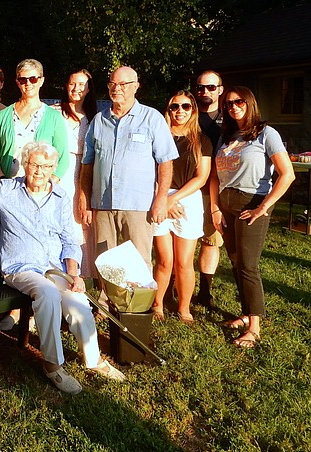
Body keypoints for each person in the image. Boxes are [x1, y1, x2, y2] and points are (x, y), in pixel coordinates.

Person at [0, 142, 126, 394]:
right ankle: (53, 365)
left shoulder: (61, 197)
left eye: (45, 166)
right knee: (48, 293)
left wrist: (73, 272)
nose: (39, 171)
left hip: (53, 267)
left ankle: (93, 359)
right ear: (25, 165)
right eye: (34, 165)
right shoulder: (8, 190)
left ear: (53, 168)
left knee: (77, 301)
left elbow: (68, 238)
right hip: (19, 268)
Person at [210, 86, 294, 348]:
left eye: (239, 102)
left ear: (249, 103)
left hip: (251, 204)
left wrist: (263, 207)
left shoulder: (266, 134)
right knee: (236, 262)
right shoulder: (227, 136)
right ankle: (245, 315)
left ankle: (254, 328)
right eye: (228, 104)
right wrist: (214, 208)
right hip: (226, 206)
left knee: (248, 265)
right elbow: (214, 177)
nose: (233, 107)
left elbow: (287, 174)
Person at [0, 59, 69, 330]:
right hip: (11, 192)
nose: (28, 84)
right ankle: (14, 309)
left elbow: (64, 157)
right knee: (13, 248)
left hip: (40, 191)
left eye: (33, 79)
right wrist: (2, 182)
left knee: (40, 247)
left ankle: (37, 311)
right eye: (23, 79)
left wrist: (48, 185)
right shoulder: (4, 115)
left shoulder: (53, 116)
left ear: (42, 80)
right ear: (16, 82)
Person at [79, 66, 177, 271]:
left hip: (139, 205)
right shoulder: (99, 120)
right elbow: (87, 164)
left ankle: (138, 304)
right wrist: (84, 198)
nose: (117, 89)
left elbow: (165, 162)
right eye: (112, 84)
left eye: (123, 84)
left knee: (138, 263)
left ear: (136, 87)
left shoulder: (152, 118)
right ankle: (108, 303)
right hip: (103, 203)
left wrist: (161, 199)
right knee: (106, 263)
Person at [151, 91, 212, 322]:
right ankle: (157, 304)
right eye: (174, 107)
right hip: (159, 196)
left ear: (193, 110)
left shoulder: (201, 140)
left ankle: (183, 308)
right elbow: (151, 171)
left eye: (185, 107)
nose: (179, 111)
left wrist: (173, 200)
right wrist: (163, 199)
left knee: (184, 261)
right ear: (168, 110)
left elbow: (202, 177)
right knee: (164, 260)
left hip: (187, 199)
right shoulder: (159, 136)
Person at [51, 69, 98, 279]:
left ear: (88, 88)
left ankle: (82, 276)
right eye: (72, 83)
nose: (76, 89)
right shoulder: (53, 112)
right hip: (58, 170)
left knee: (81, 226)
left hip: (84, 171)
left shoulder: (94, 117)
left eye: (81, 84)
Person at [195, 70, 224, 308]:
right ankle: (174, 288)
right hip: (185, 188)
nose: (205, 92)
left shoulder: (229, 119)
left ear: (220, 90)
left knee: (210, 241)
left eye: (211, 87)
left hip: (215, 191)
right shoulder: (186, 114)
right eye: (201, 88)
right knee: (179, 243)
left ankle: (205, 292)